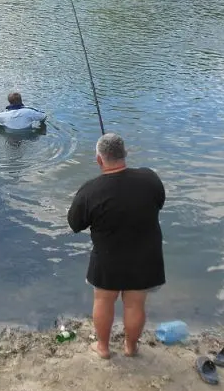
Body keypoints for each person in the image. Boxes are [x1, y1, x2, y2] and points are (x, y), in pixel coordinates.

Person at [67, 133, 166, 360]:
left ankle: (102, 348)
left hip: (108, 258)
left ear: (99, 160)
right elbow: (159, 202)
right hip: (145, 257)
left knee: (103, 300)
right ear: (125, 154)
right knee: (135, 304)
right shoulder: (150, 178)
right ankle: (131, 348)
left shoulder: (89, 190)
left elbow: (74, 224)